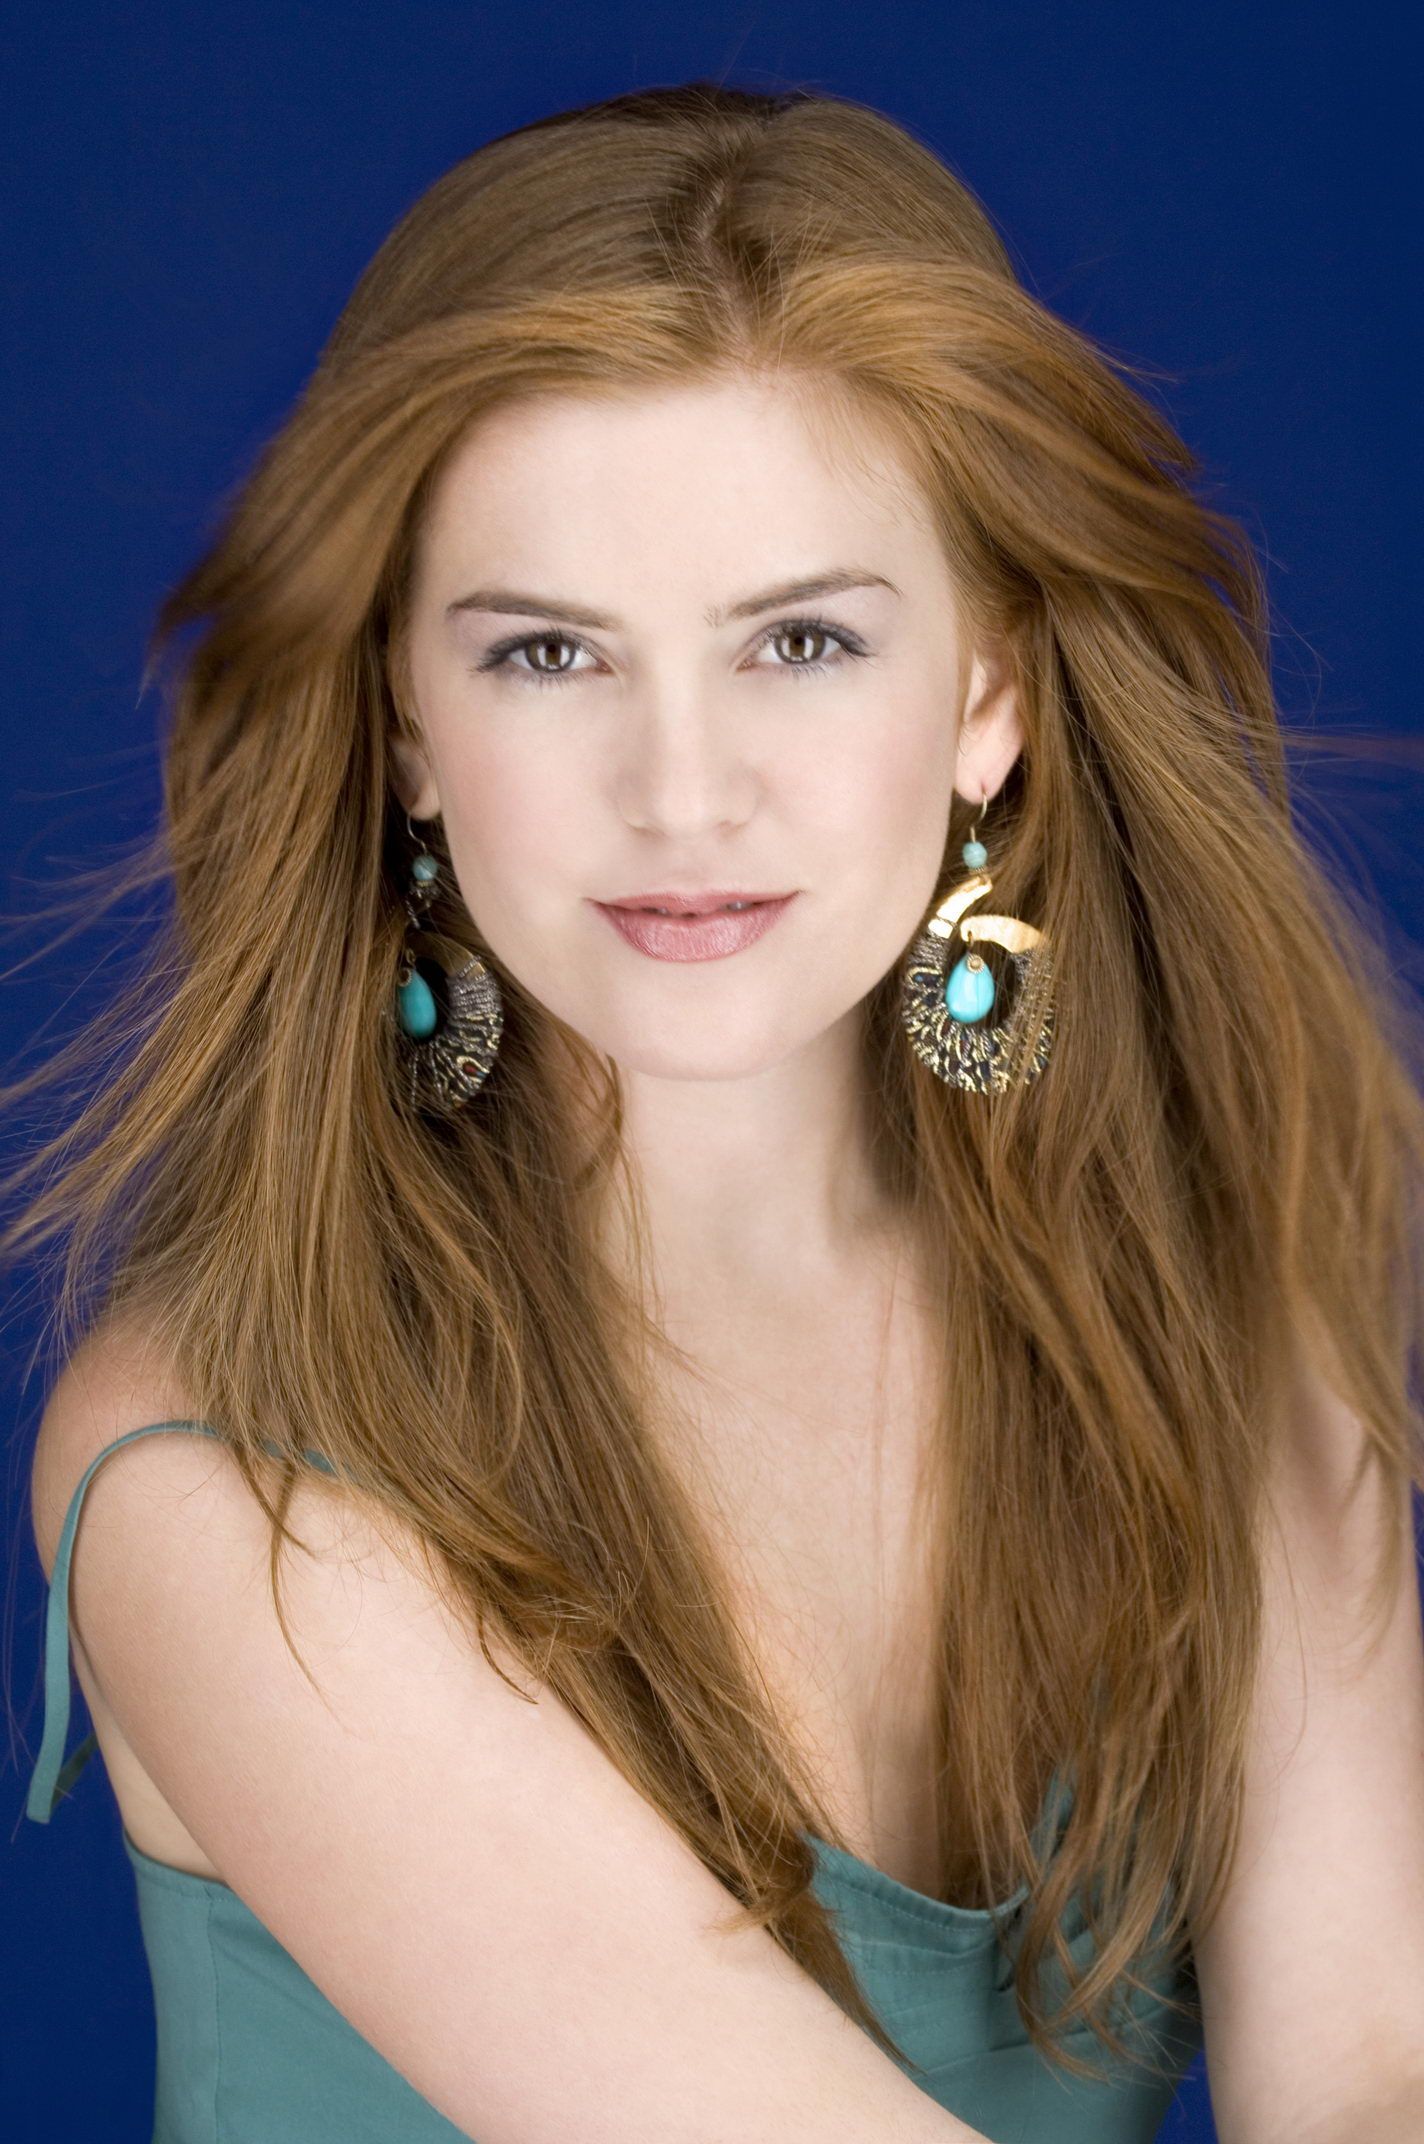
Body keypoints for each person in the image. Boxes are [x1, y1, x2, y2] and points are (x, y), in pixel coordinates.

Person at [9, 77, 1424, 2144]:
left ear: (986, 691)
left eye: (800, 639)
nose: (682, 792)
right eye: (549, 655)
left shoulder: (1218, 1317)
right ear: (405, 725)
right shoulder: (221, 1477)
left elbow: (1374, 2073)